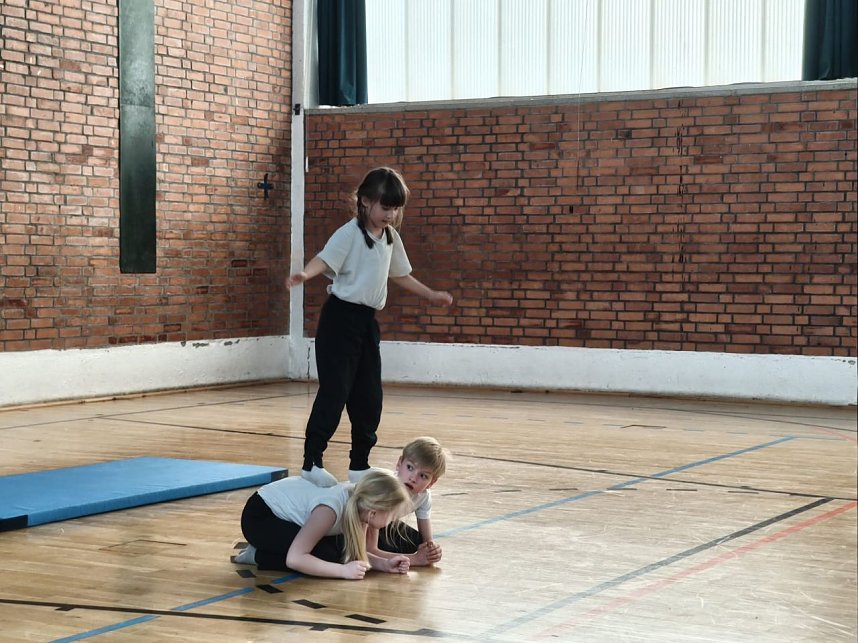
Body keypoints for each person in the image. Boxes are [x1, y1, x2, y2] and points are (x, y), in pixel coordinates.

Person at [286, 167, 453, 488]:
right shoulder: (349, 234)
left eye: (395, 208)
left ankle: (359, 464)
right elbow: (324, 259)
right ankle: (311, 462)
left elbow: (400, 274)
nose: (390, 214)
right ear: (364, 202)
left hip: (366, 324)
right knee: (335, 392)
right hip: (339, 320)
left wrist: (430, 294)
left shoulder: (390, 237)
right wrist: (305, 275)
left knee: (369, 397)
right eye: (385, 207)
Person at [233, 468, 413, 579]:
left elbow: (355, 552)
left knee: (337, 552)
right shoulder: (329, 510)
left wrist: (384, 564)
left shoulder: (361, 507)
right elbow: (295, 559)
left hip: (287, 517)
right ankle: (257, 555)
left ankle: (269, 549)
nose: (393, 521)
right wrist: (343, 571)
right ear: (374, 512)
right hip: (261, 518)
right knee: (326, 557)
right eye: (392, 516)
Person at [367, 436, 448, 567]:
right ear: (399, 463)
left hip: (380, 523)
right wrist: (415, 559)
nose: (413, 478)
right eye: (410, 467)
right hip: (347, 523)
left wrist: (432, 552)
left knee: (415, 542)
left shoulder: (423, 496)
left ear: (431, 483)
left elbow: (426, 543)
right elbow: (369, 550)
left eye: (423, 476)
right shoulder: (384, 489)